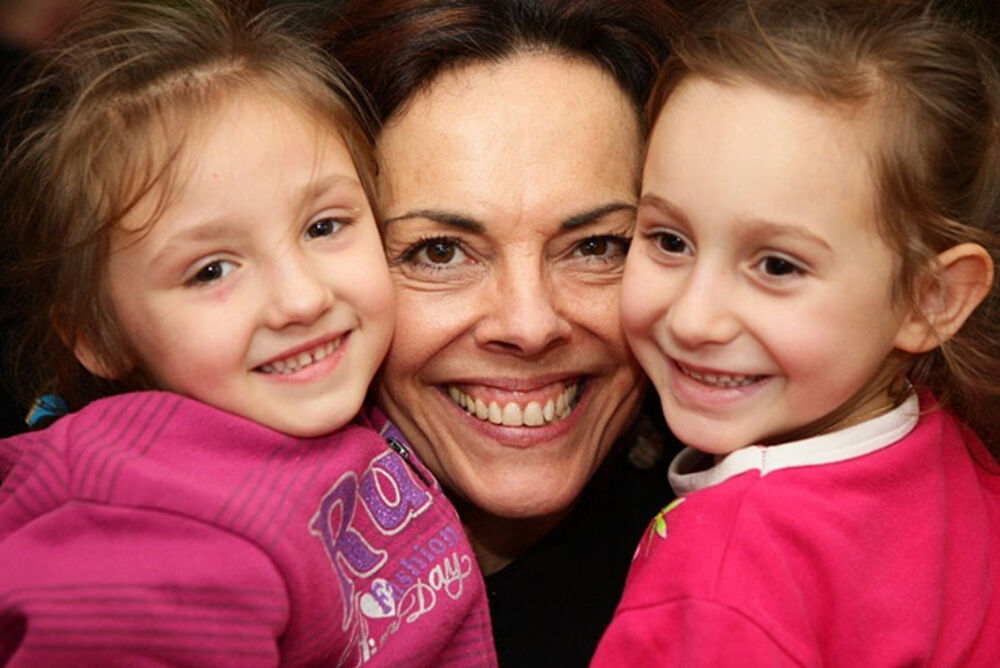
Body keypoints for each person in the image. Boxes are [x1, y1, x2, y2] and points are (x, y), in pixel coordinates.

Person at [0, 1, 497, 665]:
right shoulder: (143, 541)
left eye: (324, 226)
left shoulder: (334, 410)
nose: (300, 299)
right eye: (210, 270)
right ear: (99, 335)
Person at [592, 0, 1000, 664]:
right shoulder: (948, 453)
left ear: (931, 299)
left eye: (777, 265)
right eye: (669, 240)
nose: (695, 319)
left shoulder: (724, 573)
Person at [326, 1, 682, 664]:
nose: (529, 324)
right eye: (439, 252)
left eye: (597, 245)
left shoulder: (751, 569)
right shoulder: (197, 575)